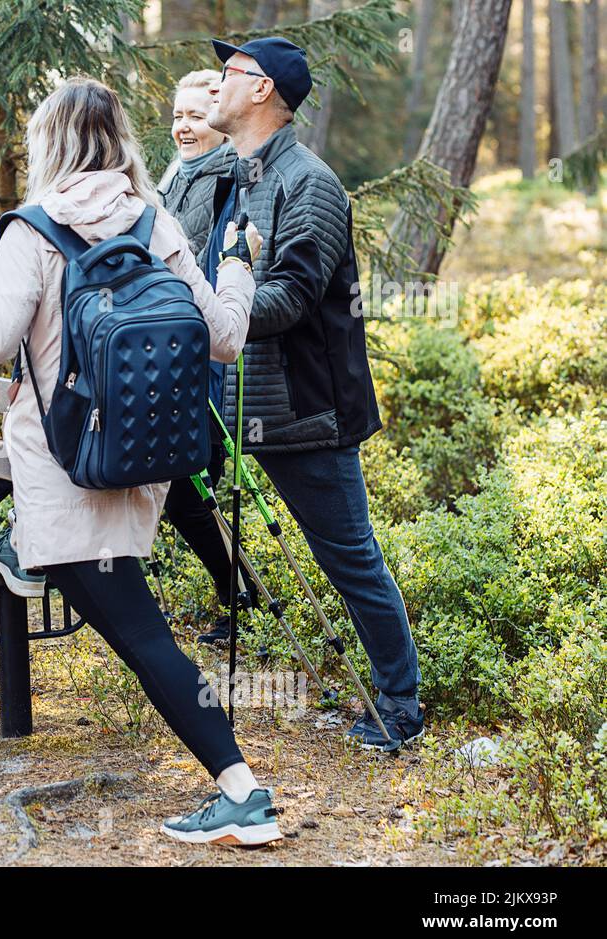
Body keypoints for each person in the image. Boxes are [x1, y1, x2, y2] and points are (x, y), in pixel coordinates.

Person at [0, 77, 283, 846]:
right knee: (143, 635)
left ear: (52, 144)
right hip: (143, 461)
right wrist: (237, 262)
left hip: (67, 469)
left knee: (146, 640)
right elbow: (225, 337)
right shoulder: (154, 221)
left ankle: (244, 791)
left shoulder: (32, 230)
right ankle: (240, 787)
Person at [204, 37, 422, 750]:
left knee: (351, 559)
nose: (216, 85)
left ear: (263, 90)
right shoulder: (235, 176)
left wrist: (216, 312)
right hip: (239, 405)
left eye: (228, 75)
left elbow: (293, 295)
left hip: (304, 414)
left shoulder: (309, 183)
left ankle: (401, 706)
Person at [155, 69, 258, 646]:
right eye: (177, 116)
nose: (184, 127)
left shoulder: (229, 181)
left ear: (219, 121)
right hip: (172, 348)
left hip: (206, 353)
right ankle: (235, 593)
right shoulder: (174, 174)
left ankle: (239, 598)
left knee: (195, 479)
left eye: (195, 116)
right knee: (183, 483)